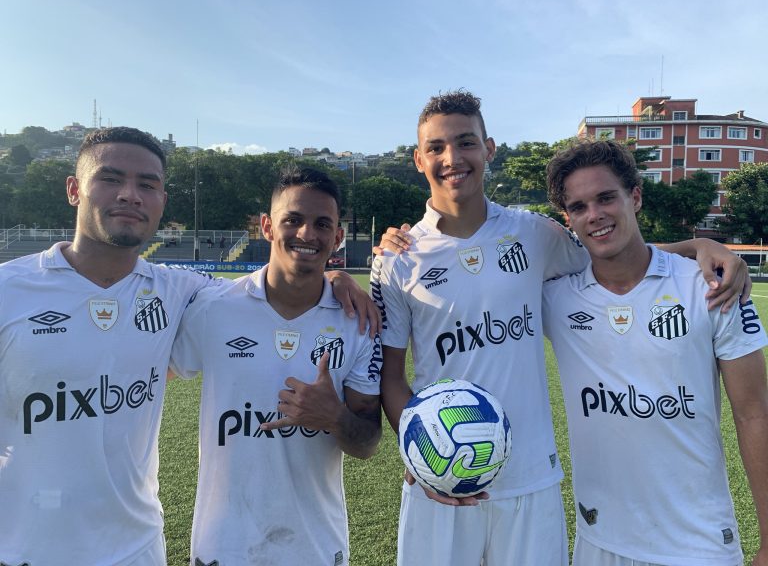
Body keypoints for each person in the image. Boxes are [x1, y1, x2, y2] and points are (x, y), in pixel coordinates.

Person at [370, 90, 751, 566]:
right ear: (418, 159)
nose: (453, 158)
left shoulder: (534, 233)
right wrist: (422, 457)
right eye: (437, 148)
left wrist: (696, 245)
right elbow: (391, 376)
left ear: (489, 149)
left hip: (532, 479)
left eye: (466, 142)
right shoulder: (396, 259)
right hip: (443, 480)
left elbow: (613, 250)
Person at [0, 128, 377, 566]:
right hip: (23, 549)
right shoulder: (10, 289)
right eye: (111, 178)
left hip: (138, 551)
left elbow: (288, 282)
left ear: (161, 199)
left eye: (147, 184)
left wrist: (335, 279)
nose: (130, 195)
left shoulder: (179, 292)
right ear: (74, 188)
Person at [542, 139, 768, 566]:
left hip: (698, 543)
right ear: (568, 219)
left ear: (636, 196)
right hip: (600, 540)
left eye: (606, 198)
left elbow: (755, 413)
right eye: (579, 206)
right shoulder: (557, 296)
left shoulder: (712, 287)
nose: (595, 215)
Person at [170, 166, 382, 566]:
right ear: (267, 226)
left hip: (315, 549)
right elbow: (152, 374)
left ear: (337, 237)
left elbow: (368, 443)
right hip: (222, 548)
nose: (306, 234)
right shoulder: (214, 309)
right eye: (293, 220)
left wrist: (335, 418)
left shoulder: (358, 324)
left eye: (322, 224)